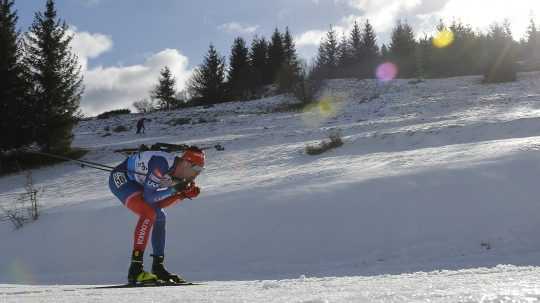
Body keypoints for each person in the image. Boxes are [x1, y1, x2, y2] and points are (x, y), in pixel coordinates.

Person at [108, 146, 204, 284]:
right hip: (122, 178)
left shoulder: (179, 174)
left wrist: (181, 195)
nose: (197, 174)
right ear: (186, 163)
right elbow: (150, 197)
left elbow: (159, 204)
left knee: (160, 216)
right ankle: (135, 269)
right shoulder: (161, 164)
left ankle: (158, 267)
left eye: (201, 170)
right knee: (148, 213)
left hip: (138, 183)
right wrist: (174, 190)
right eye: (197, 169)